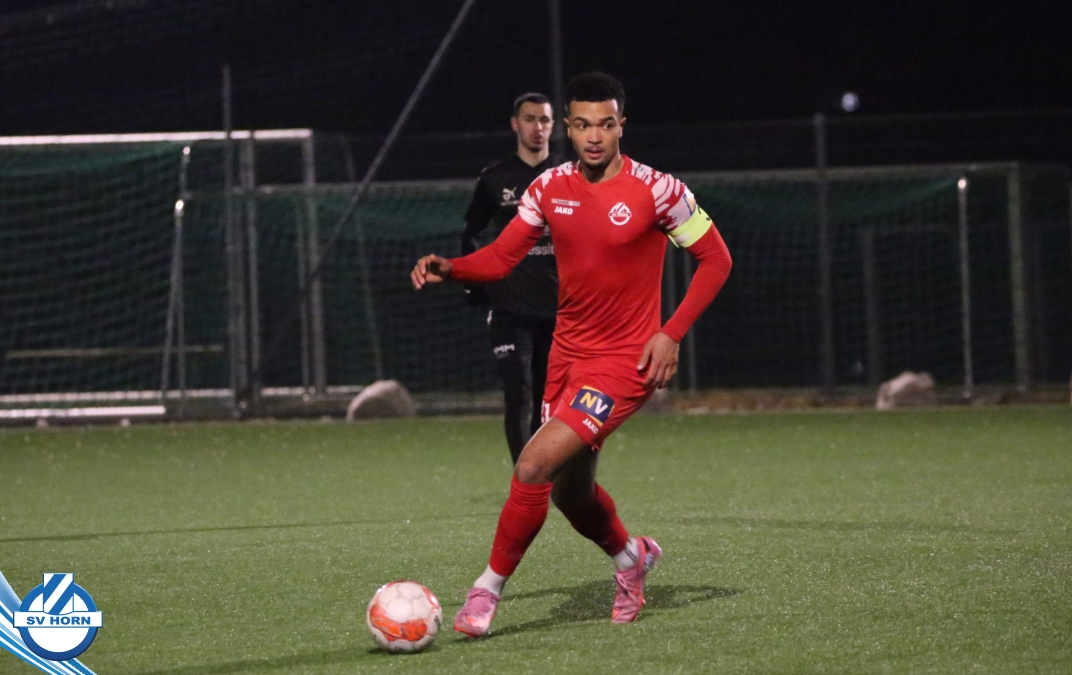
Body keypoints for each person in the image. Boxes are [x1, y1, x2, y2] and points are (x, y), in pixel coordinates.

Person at [411, 72, 732, 636]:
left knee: (533, 465)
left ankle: (485, 592)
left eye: (605, 125)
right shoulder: (549, 187)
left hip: (624, 364)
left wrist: (671, 332)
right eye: (582, 125)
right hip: (568, 358)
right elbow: (502, 257)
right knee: (570, 493)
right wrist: (453, 268)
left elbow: (716, 259)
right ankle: (632, 558)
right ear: (568, 126)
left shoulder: (658, 190)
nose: (594, 136)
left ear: (621, 125)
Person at [461, 93, 560, 464]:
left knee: (548, 398)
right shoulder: (495, 178)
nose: (538, 127)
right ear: (515, 124)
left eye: (544, 120)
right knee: (518, 392)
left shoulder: (569, 175)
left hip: (559, 308)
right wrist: (476, 283)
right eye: (530, 119)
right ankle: (526, 481)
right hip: (509, 307)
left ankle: (543, 472)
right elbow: (471, 233)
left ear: (554, 126)